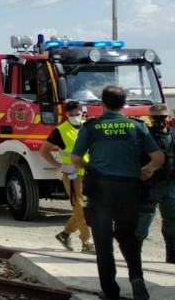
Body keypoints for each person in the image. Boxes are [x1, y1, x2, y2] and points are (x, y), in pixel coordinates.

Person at [71, 85, 164, 300]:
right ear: (124, 105)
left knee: (103, 242)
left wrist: (88, 167)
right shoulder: (137, 126)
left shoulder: (92, 127)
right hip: (129, 189)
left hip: (101, 189)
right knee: (128, 237)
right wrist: (147, 170)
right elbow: (158, 157)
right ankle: (136, 276)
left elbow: (76, 159)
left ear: (102, 104)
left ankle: (111, 292)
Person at [39, 100, 95, 253]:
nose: (75, 117)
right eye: (72, 115)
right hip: (72, 174)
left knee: (87, 208)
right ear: (66, 115)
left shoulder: (88, 126)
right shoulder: (60, 130)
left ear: (82, 112)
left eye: (77, 114)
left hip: (90, 173)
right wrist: (59, 166)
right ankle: (87, 241)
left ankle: (65, 234)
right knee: (80, 207)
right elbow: (44, 151)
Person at [137, 103, 175, 264]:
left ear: (168, 118)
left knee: (172, 225)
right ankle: (134, 257)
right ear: (150, 118)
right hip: (148, 186)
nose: (160, 121)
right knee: (142, 225)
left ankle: (172, 258)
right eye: (156, 118)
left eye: (162, 117)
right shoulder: (144, 136)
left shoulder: (173, 135)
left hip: (170, 186)